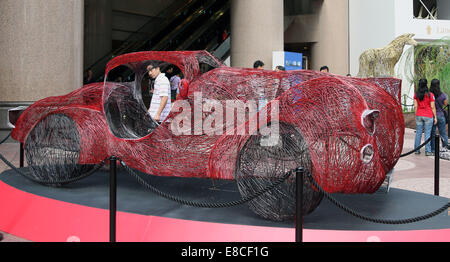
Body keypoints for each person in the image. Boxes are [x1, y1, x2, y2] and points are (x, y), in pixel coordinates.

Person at [414, 78, 437, 156]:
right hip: (428, 115)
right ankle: (428, 151)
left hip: (419, 115)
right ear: (426, 84)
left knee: (418, 133)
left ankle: (416, 150)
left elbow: (415, 106)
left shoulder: (416, 94)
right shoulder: (431, 95)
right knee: (427, 133)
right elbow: (432, 107)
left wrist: (416, 115)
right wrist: (435, 117)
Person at [430, 79, 449, 151]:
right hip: (441, 115)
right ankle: (445, 147)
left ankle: (433, 149)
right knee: (443, 133)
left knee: (432, 133)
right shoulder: (442, 95)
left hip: (432, 116)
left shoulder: (429, 94)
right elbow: (446, 104)